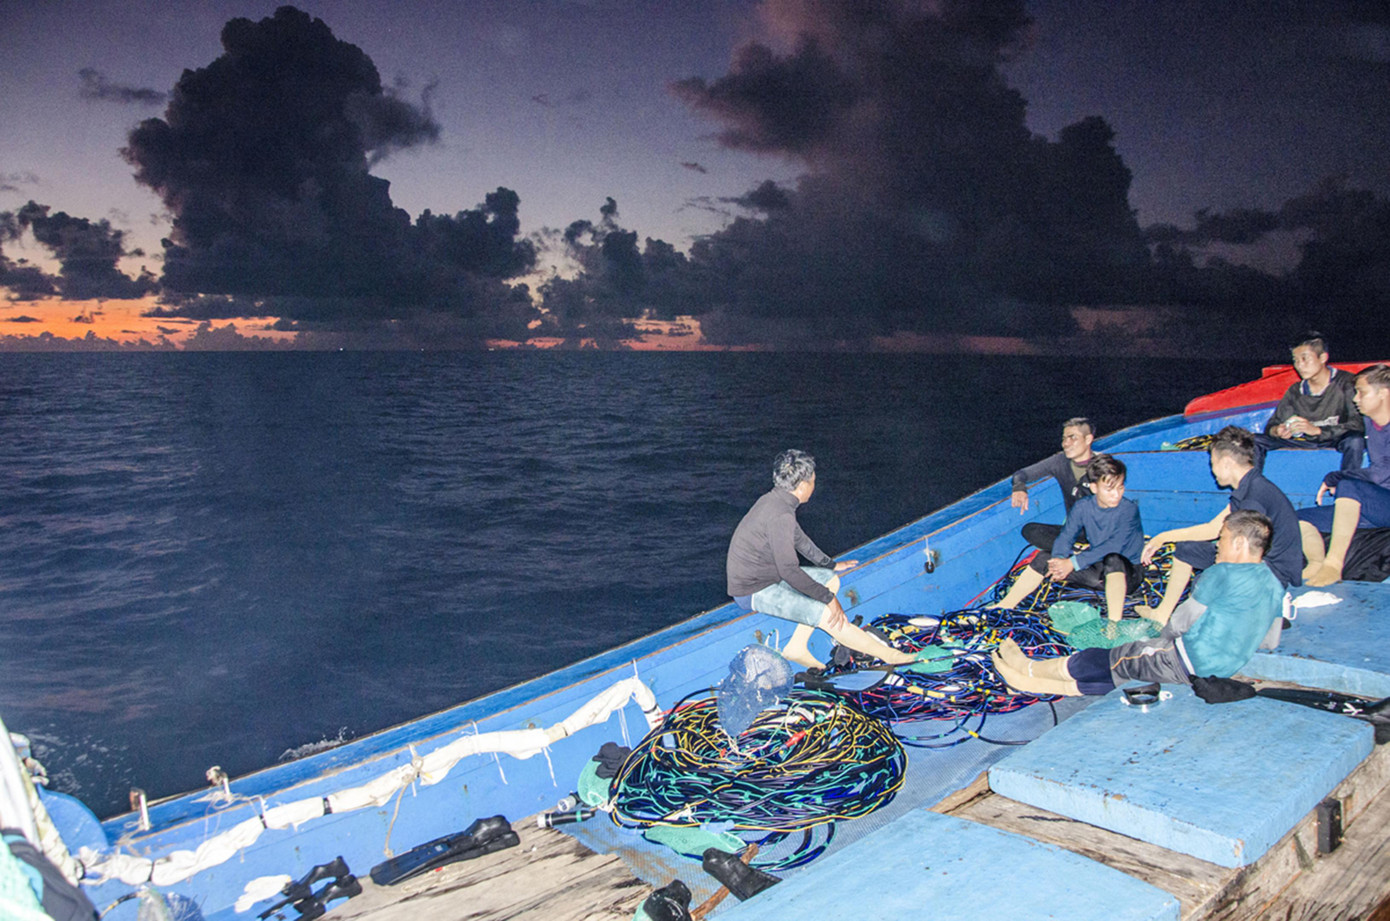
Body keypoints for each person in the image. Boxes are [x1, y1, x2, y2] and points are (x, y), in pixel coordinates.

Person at [991, 510, 1285, 697]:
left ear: (1239, 543)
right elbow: (1270, 640)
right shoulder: (1274, 582)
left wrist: (1157, 641)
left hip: (1184, 660)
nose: (1217, 545)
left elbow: (1182, 621)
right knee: (1124, 673)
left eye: (1222, 538)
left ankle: (1029, 670)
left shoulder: (1222, 573)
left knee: (1113, 656)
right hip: (1220, 669)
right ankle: (1036, 683)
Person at [727, 449, 921, 670]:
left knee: (831, 579)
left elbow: (799, 540)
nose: (814, 485)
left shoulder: (775, 500)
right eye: (813, 481)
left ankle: (797, 646)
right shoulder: (780, 515)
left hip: (769, 574)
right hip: (753, 590)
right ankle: (891, 656)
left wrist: (830, 564)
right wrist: (828, 599)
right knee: (828, 614)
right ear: (802, 486)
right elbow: (789, 570)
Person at [1136, 426, 1302, 624]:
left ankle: (1265, 606)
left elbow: (1246, 557)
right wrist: (1162, 538)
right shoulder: (1250, 486)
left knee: (1205, 583)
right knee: (1186, 549)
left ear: (1226, 463)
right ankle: (1161, 615)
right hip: (1256, 562)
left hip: (1271, 573)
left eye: (1212, 463)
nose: (1212, 470)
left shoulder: (1254, 498)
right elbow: (1213, 528)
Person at [990, 454, 1142, 623]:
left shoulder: (1128, 510)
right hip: (1097, 572)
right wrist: (1059, 559)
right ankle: (1005, 606)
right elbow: (1066, 536)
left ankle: (1113, 625)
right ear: (1094, 488)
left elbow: (1112, 546)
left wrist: (1072, 563)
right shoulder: (1083, 506)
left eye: (1120, 488)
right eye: (1109, 489)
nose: (1116, 495)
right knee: (1044, 558)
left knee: (1113, 559)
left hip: (1127, 574)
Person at [1298, 364, 1390, 587]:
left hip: (1384, 503)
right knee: (1296, 518)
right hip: (1375, 504)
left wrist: (1337, 477)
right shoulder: (1369, 422)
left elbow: (1382, 474)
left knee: (1349, 485)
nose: (1356, 399)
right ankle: (1316, 563)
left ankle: (1333, 565)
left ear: (1383, 393)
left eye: (1362, 392)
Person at [1254, 331, 1365, 472]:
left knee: (1355, 440)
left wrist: (1317, 431)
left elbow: (1358, 424)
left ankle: (1348, 483)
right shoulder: (1296, 390)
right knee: (1253, 440)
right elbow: (1272, 425)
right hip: (1305, 441)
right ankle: (1252, 483)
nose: (1299, 365)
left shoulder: (1347, 383)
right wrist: (1277, 430)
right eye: (1295, 360)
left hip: (1336, 439)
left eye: (1305, 359)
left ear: (1323, 358)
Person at [1010, 417, 1096, 552]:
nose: (1066, 443)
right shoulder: (1059, 462)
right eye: (1064, 438)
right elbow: (1021, 474)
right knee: (1030, 530)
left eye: (1072, 437)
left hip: (1101, 531)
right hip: (1075, 532)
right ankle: (1074, 553)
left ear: (1088, 439)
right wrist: (1019, 487)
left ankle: (1085, 554)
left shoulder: (1104, 466)